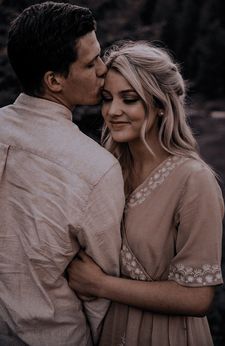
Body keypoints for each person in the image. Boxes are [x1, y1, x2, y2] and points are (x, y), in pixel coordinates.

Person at [68, 41, 224, 346]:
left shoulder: (194, 180)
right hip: (110, 332)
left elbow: (198, 298)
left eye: (129, 99)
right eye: (107, 98)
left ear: (161, 105)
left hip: (167, 336)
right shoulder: (105, 169)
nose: (113, 111)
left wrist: (100, 285)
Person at [0, 2, 125, 346]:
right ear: (54, 80)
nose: (104, 69)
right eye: (90, 63)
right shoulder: (95, 168)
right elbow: (101, 295)